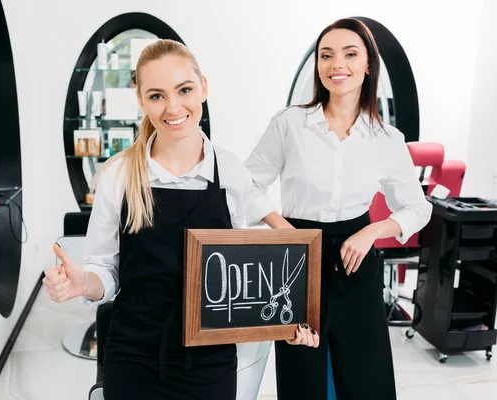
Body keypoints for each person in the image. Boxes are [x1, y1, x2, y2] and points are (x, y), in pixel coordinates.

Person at [43, 39, 319, 400]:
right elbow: (105, 272)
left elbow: (279, 245)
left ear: (203, 87)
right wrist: (84, 282)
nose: (173, 107)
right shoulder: (119, 174)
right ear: (141, 101)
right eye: (156, 95)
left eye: (184, 89)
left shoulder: (230, 170)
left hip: (210, 361)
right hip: (133, 356)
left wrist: (296, 313)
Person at [244, 18, 432, 400]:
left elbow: (417, 207)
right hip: (294, 261)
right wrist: (282, 228)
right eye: (326, 55)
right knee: (302, 370)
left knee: (366, 373)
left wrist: (371, 231)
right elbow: (244, 186)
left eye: (350, 54)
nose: (336, 64)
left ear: (367, 66)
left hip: (356, 258)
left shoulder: (386, 138)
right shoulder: (290, 124)